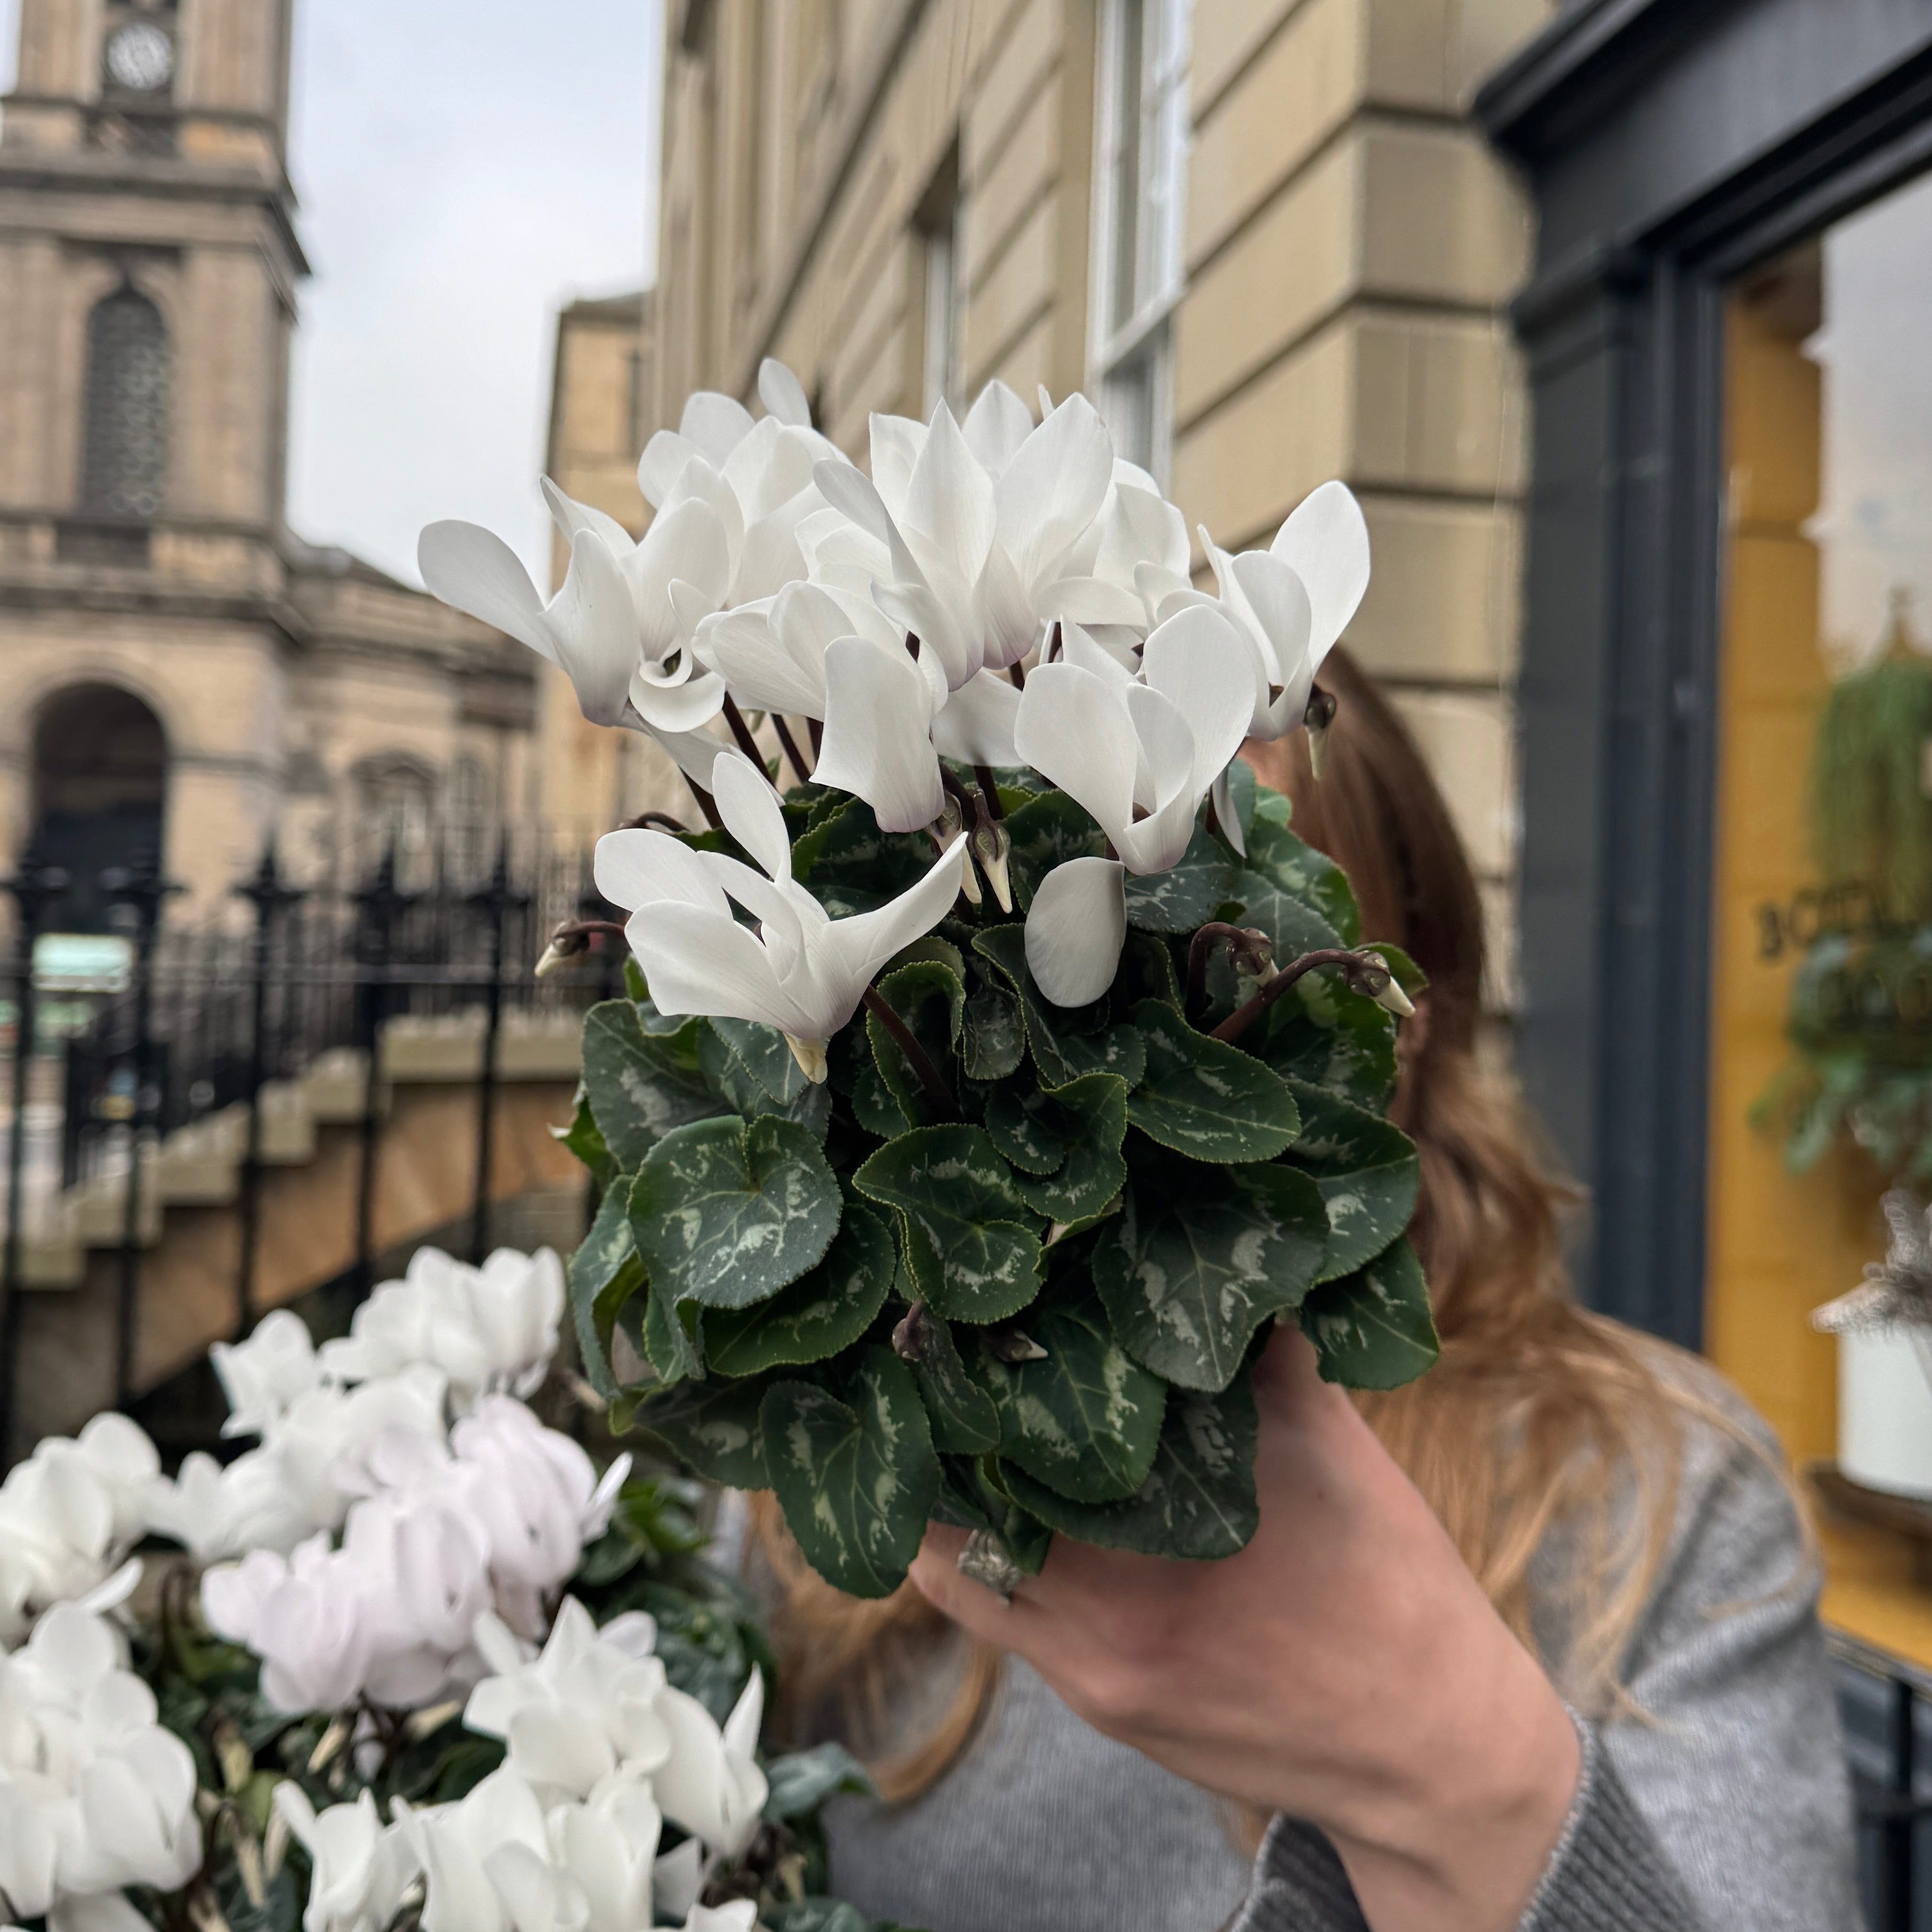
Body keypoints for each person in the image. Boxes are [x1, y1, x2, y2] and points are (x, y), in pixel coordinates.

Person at [747, 646, 1859, 1931]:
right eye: (1091, 952)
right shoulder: (843, 1482)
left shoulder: (1659, 1499)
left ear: (1410, 998)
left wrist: (1454, 1768)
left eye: (1241, 958)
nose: (1149, 1050)